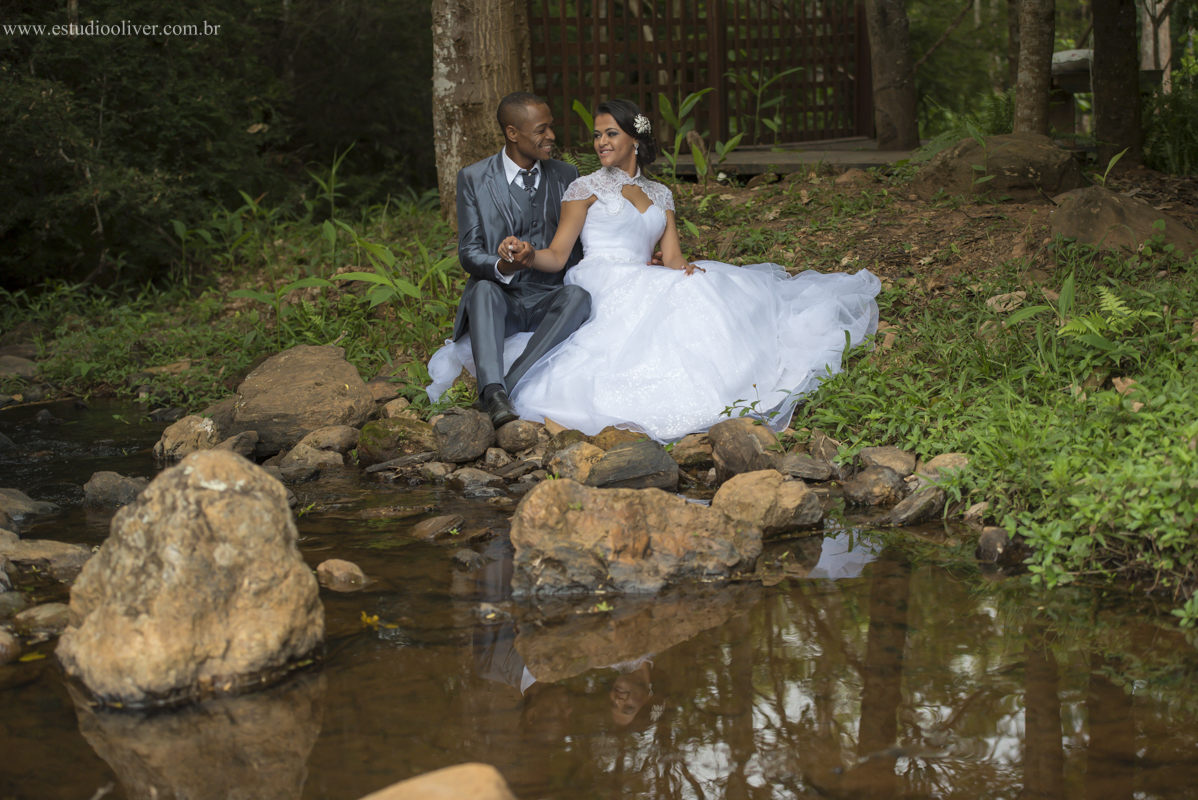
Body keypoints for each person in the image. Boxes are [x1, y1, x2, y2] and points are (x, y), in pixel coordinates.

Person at [486, 99, 881, 442]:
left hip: (644, 275)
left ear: (634, 140)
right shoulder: (584, 188)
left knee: (704, 289)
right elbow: (557, 255)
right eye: (597, 135)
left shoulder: (661, 194)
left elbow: (672, 256)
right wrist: (526, 254)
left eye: (610, 134)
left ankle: (730, 386)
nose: (601, 143)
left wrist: (687, 270)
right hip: (600, 279)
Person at [440, 91, 589, 428]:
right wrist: (502, 265)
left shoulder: (567, 174)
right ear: (512, 133)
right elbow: (469, 250)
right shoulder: (474, 178)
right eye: (541, 130)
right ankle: (492, 389)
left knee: (579, 297)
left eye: (551, 127)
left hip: (548, 298)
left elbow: (580, 239)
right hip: (500, 302)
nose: (551, 136)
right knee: (482, 289)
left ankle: (506, 385)